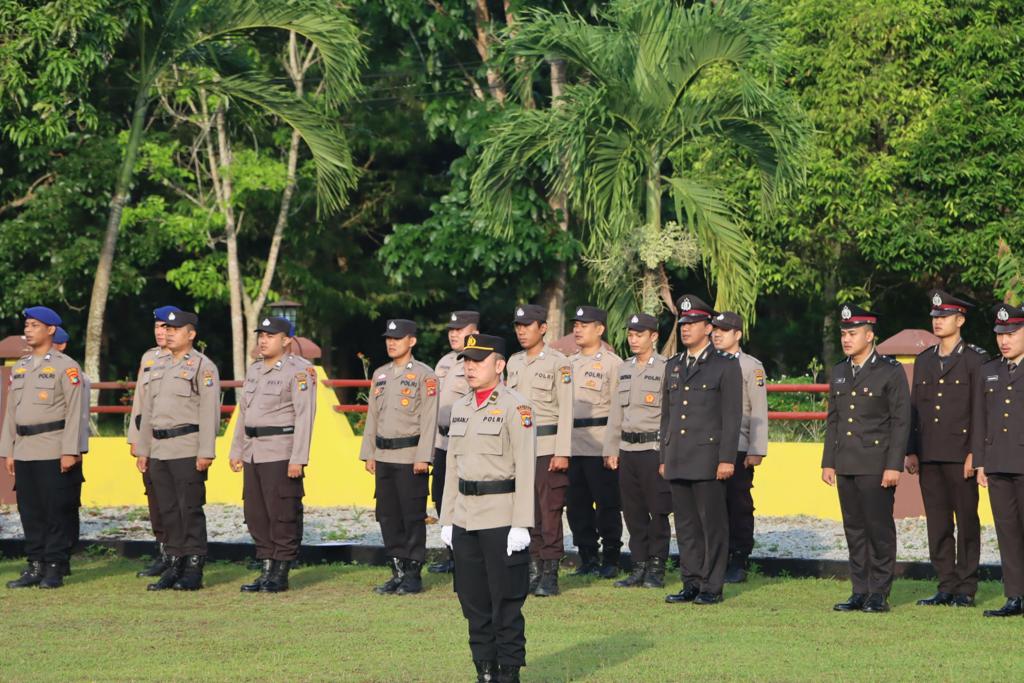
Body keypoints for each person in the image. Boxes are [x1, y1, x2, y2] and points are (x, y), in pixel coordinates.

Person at [439, 333, 535, 683]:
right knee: (472, 602)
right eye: (466, 360)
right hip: (465, 517)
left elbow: (526, 467)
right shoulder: (461, 407)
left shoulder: (516, 406)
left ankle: (508, 672)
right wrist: (447, 518)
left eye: (478, 361)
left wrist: (522, 523)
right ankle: (485, 670)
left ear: (499, 365)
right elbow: (452, 467)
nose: (470, 367)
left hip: (501, 517)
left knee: (506, 602)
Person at [821, 304, 910, 614]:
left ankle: (878, 593)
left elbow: (900, 421)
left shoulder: (890, 370)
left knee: (878, 529)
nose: (847, 339)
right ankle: (859, 590)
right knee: (854, 530)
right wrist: (828, 461)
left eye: (853, 333)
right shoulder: (840, 371)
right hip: (846, 462)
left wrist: (893, 465)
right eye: (844, 334)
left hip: (876, 463)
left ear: (870, 336)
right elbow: (834, 419)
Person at [905, 291, 987, 607]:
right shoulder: (924, 360)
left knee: (966, 521)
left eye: (944, 317)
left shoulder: (976, 360)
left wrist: (975, 453)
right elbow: (915, 409)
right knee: (937, 522)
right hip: (929, 453)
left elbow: (981, 410)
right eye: (935, 317)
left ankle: (966, 587)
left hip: (961, 455)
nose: (938, 321)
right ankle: (945, 584)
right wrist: (911, 450)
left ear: (960, 320)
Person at [661, 295, 741, 606]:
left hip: (708, 458)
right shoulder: (674, 365)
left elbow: (731, 417)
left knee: (712, 525)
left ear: (708, 327)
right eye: (683, 324)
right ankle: (690, 582)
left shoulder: (724, 365)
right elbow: (667, 415)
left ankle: (711, 586)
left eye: (692, 324)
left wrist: (726, 458)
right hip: (678, 456)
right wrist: (664, 456)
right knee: (685, 526)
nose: (685, 329)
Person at [134, 310, 221, 591]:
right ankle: (173, 564)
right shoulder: (156, 364)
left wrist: (206, 451)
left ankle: (193, 568)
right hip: (159, 448)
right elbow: (148, 411)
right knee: (168, 510)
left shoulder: (202, 366)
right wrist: (143, 448)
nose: (169, 333)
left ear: (191, 334)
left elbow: (210, 413)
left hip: (187, 446)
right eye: (166, 328)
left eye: (175, 328)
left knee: (189, 509)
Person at [230, 316, 316, 593]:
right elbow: (243, 414)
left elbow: (305, 416)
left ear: (286, 340)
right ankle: (265, 566)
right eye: (261, 335)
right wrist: (237, 450)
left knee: (282, 512)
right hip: (253, 451)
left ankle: (281, 570)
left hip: (280, 449)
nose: (263, 340)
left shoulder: (299, 370)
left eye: (270, 335)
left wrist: (298, 458)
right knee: (256, 512)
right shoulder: (254, 370)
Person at [2, 307, 84, 589]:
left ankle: (54, 566)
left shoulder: (66, 366)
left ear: (50, 330)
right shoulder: (21, 367)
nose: (28, 329)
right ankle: (35, 564)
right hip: (24, 448)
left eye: (35, 325)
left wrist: (70, 450)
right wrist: (8, 450)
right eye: (26, 324)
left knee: (55, 510)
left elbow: (75, 412)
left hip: (53, 446)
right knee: (30, 511)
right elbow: (11, 412)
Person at [359, 319, 438, 595]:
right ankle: (397, 570)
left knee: (412, 515)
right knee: (388, 515)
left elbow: (429, 420)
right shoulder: (380, 374)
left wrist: (423, 456)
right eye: (389, 338)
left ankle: (413, 573)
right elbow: (373, 417)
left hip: (410, 456)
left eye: (398, 338)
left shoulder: (424, 375)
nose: (391, 342)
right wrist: (369, 453)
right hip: (383, 455)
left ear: (412, 341)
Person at [506, 304, 573, 597]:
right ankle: (533, 569)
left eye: (528, 325)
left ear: (542, 328)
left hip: (547, 446)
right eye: (518, 325)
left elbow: (567, 410)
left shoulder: (559, 363)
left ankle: (550, 573)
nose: (522, 330)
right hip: (520, 447)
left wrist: (563, 451)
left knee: (550, 512)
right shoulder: (513, 362)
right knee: (525, 510)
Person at [603, 313, 670, 589]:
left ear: (653, 337)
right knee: (632, 512)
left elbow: (670, 415)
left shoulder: (666, 368)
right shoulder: (624, 368)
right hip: (628, 449)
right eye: (631, 334)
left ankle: (656, 567)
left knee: (658, 511)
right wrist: (611, 449)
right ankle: (639, 565)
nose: (633, 339)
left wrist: (667, 454)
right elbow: (615, 412)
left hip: (653, 448)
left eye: (639, 334)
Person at [972, 302, 1024, 617]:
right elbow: (980, 420)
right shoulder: (989, 370)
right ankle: (1015, 596)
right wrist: (981, 461)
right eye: (1000, 334)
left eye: (1013, 333)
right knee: (1007, 531)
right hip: (998, 462)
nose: (1005, 340)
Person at [710, 311, 769, 583]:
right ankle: (716, 557)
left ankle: (739, 558)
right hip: (708, 445)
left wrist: (757, 449)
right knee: (712, 506)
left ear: (738, 334)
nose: (717, 334)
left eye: (724, 330)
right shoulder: (706, 363)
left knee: (738, 504)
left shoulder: (750, 366)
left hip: (739, 445)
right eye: (715, 329)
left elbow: (758, 410)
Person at [567, 305, 623, 578]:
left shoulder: (613, 364)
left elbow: (619, 409)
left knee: (607, 504)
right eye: (575, 324)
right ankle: (586, 556)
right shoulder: (567, 363)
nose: (577, 329)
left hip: (600, 443)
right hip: (571, 444)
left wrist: (613, 447)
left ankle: (611, 557)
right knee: (576, 505)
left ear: (600, 329)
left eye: (584, 325)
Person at [128, 306, 179, 578]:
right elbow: (139, 402)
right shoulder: (149, 358)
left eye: (167, 327)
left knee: (176, 500)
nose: (161, 332)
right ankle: (163, 552)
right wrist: (136, 440)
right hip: (149, 440)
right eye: (158, 327)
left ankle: (179, 553)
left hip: (176, 441)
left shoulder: (188, 360)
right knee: (155, 498)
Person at [429, 310, 478, 574]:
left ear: (475, 333)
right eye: (451, 329)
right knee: (441, 498)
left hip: (465, 443)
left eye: (460, 329)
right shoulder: (445, 362)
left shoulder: (482, 362)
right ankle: (452, 555)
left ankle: (467, 557)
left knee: (465, 499)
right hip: (441, 442)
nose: (453, 334)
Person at [53, 326, 89, 576]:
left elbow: (78, 416)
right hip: (40, 448)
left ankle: (63, 554)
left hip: (67, 446)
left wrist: (74, 449)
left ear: (61, 344)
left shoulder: (73, 374)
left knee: (64, 503)